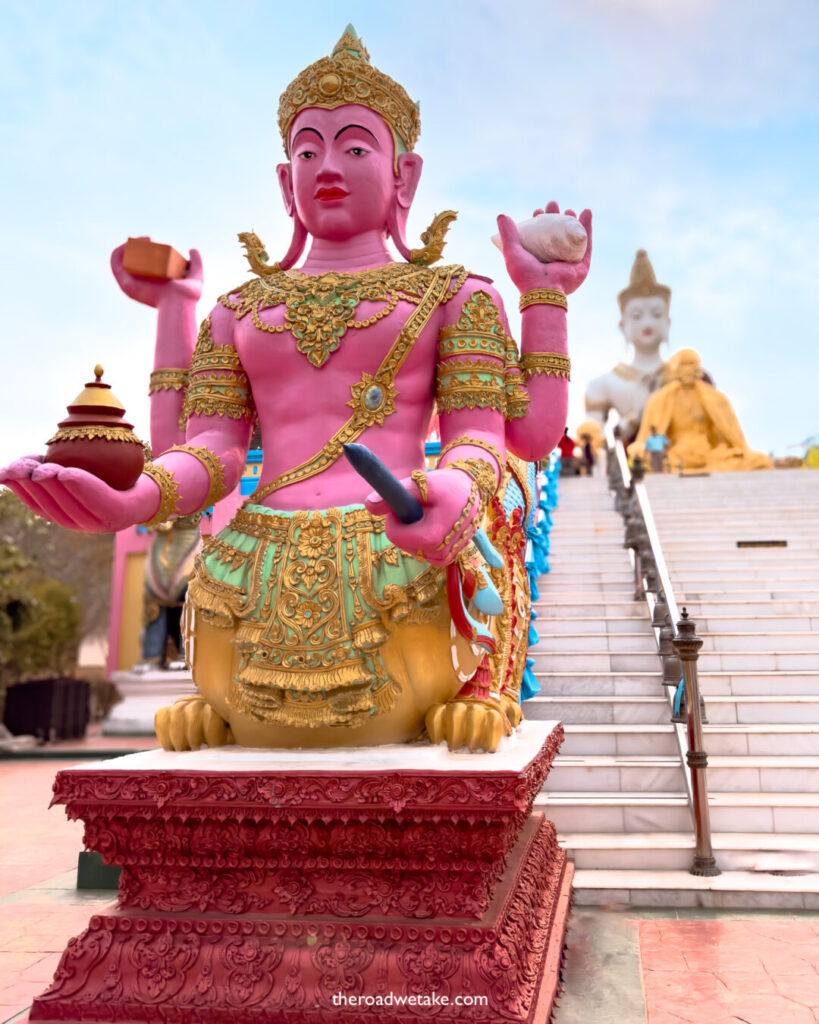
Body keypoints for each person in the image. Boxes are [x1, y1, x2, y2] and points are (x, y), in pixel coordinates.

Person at [1, 27, 591, 752]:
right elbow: (205, 452)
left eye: (353, 146)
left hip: (396, 550)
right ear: (285, 181)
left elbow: (503, 436)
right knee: (215, 605)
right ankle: (222, 702)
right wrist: (137, 495)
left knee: (497, 500)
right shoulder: (238, 310)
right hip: (252, 571)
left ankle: (482, 685)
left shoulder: (450, 295)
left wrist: (540, 309)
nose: (326, 165)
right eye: (307, 150)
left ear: (403, 177)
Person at [630, 349, 772, 472]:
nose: (688, 370)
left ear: (698, 369)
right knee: (644, 459)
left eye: (692, 365)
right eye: (683, 365)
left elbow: (730, 437)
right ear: (674, 369)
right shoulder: (660, 399)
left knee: (760, 460)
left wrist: (722, 449)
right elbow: (644, 440)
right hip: (676, 455)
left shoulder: (715, 398)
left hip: (708, 455)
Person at [584, 249, 671, 441]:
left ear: (668, 322)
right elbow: (592, 439)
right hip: (632, 455)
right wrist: (633, 419)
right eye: (637, 316)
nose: (647, 323)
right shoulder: (603, 385)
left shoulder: (684, 376)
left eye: (656, 314)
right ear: (623, 326)